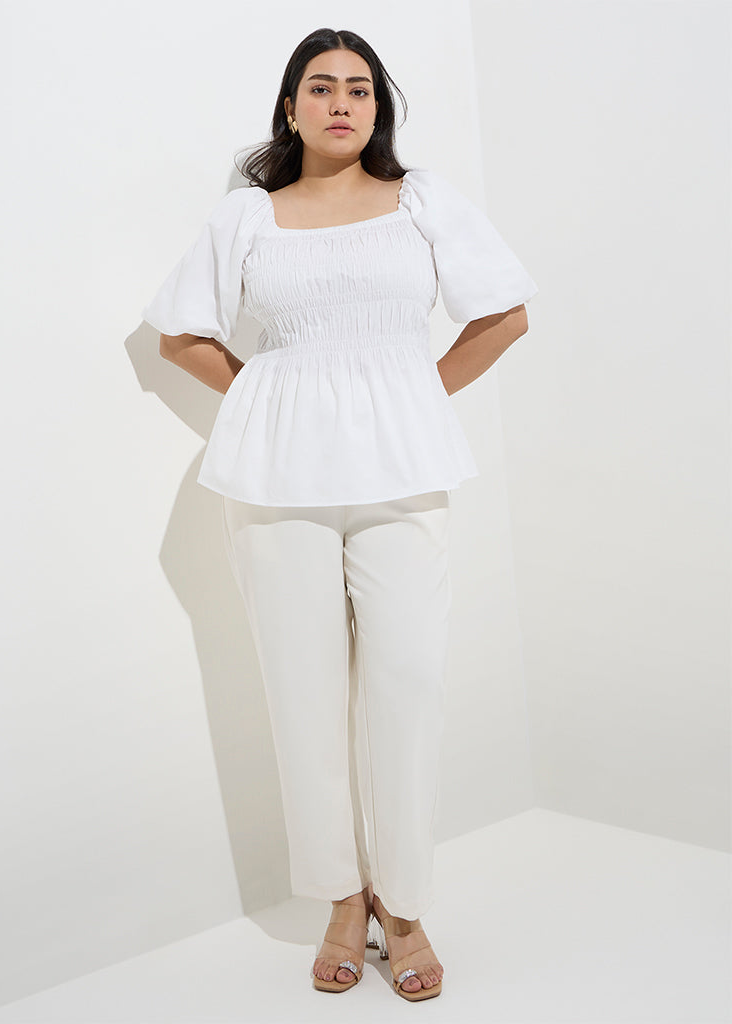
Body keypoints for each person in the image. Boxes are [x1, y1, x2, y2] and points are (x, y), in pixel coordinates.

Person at [142, 26, 538, 1002]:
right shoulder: (247, 218)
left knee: (408, 683)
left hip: (400, 472)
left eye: (360, 88)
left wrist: (411, 397)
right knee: (302, 691)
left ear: (379, 108)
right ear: (290, 108)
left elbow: (505, 315)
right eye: (320, 87)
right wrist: (268, 397)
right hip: (278, 479)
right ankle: (341, 896)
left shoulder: (423, 202)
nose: (341, 103)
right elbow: (179, 335)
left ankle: (405, 903)